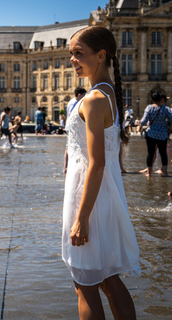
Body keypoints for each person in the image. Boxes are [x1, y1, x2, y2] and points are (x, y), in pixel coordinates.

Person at [64, 26, 140, 320]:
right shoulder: (108, 93)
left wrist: (81, 219)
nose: (72, 60)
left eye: (78, 53)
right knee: (108, 280)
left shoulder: (94, 99)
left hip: (88, 200)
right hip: (101, 196)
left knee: (84, 285)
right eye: (71, 53)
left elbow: (97, 163)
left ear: (100, 55)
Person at [139, 92, 172, 177]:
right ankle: (165, 171)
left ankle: (149, 173)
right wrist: (169, 129)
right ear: (160, 99)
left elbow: (143, 121)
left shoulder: (149, 108)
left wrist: (140, 124)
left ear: (152, 100)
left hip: (151, 134)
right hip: (163, 134)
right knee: (163, 153)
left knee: (151, 153)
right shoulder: (165, 109)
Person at [64, 87, 87, 173]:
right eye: (84, 95)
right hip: (71, 129)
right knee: (69, 147)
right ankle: (66, 167)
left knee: (70, 147)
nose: (85, 97)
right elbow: (71, 116)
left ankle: (67, 166)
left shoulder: (74, 102)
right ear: (79, 95)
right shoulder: (74, 103)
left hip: (71, 128)